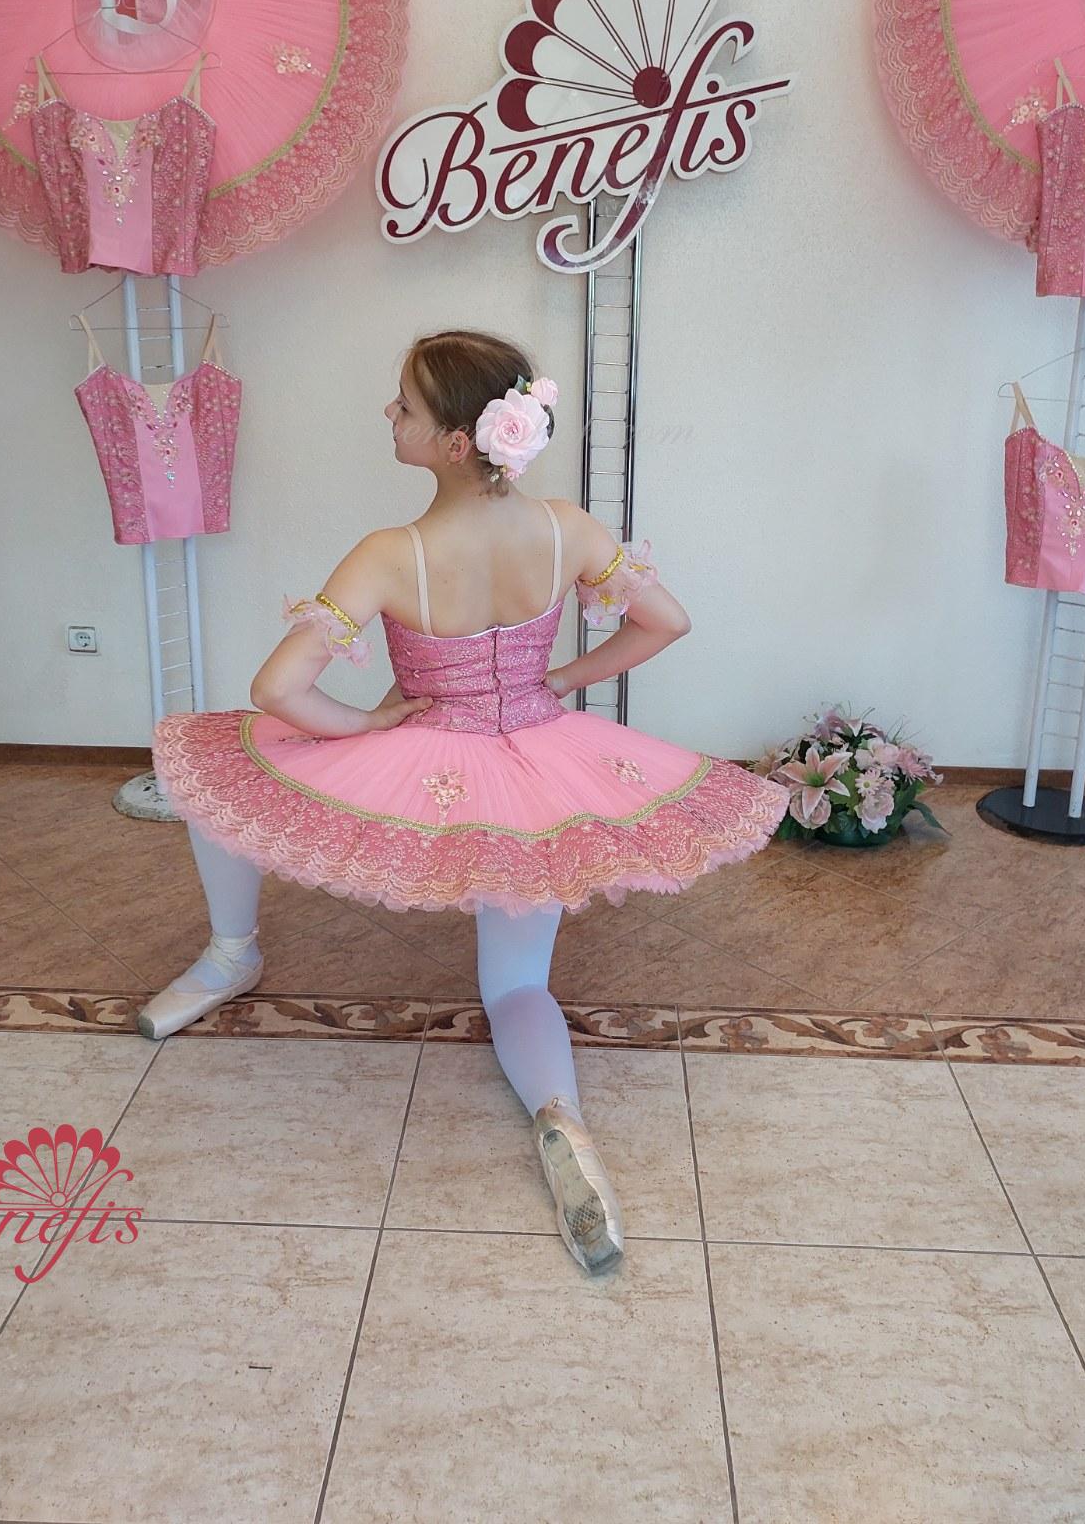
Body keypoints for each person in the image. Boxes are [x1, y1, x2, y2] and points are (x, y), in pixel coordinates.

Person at [142, 328, 790, 1275]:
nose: (388, 413)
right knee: (518, 985)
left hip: (429, 750)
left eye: (403, 404)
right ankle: (562, 1124)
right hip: (540, 762)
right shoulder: (567, 528)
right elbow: (668, 621)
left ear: (456, 441)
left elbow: (278, 690)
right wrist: (563, 678)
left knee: (223, 770)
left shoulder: (391, 552)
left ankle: (231, 953)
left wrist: (364, 727)